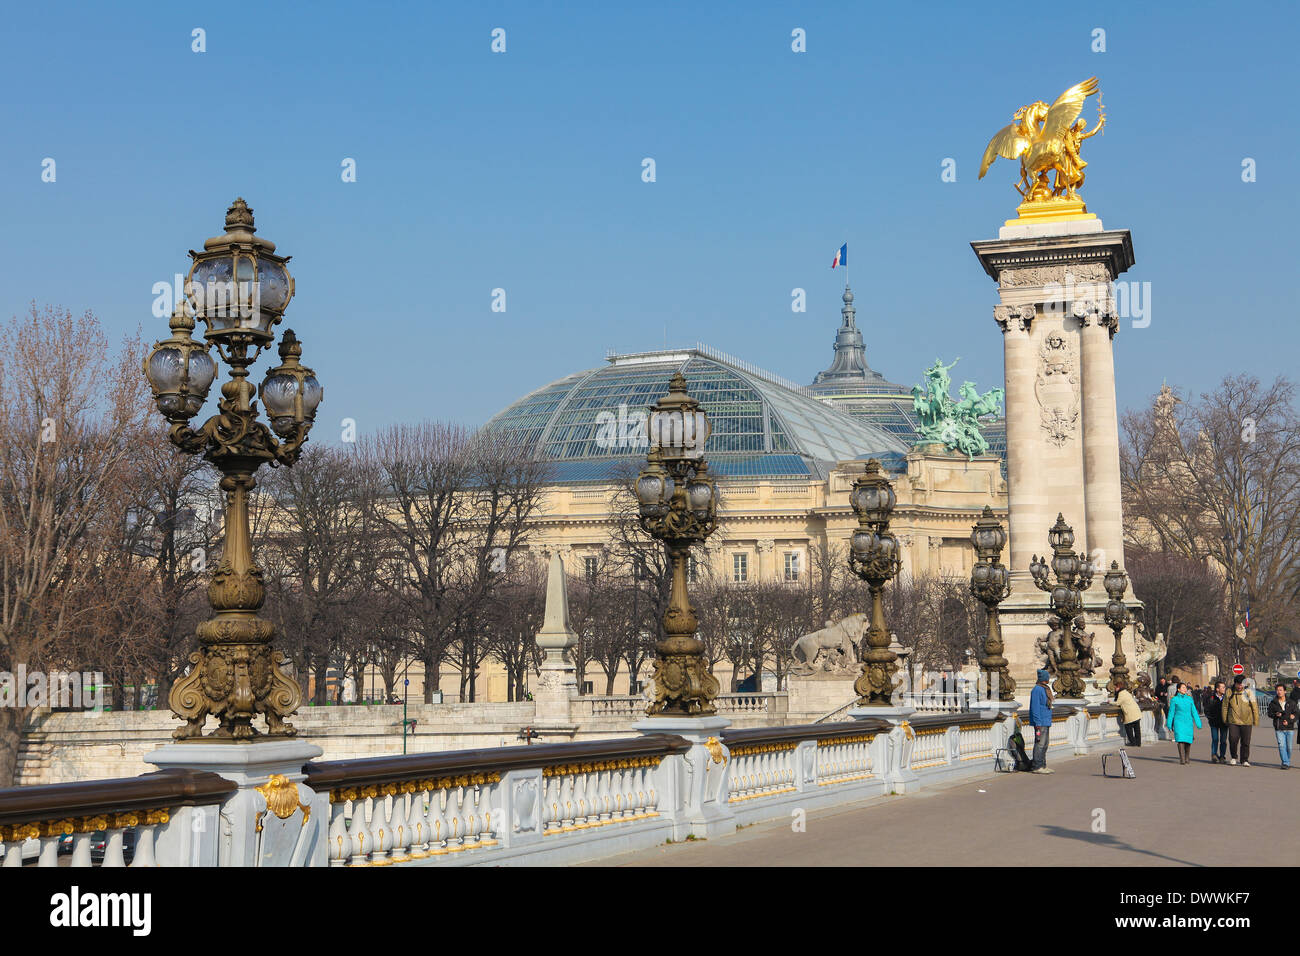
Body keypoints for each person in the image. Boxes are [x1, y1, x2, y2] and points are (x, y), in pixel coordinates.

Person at [1223, 675, 1259, 766]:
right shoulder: (1229, 692)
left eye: (1241, 685)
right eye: (1238, 684)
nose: (1240, 687)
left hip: (1247, 721)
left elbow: (1254, 706)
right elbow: (1225, 707)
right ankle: (1234, 757)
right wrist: (1225, 719)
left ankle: (1244, 759)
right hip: (1233, 720)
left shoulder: (1249, 692)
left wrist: (1256, 720)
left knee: (1246, 741)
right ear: (1234, 684)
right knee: (1233, 739)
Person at [1166, 682, 1202, 764]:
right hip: (1178, 722)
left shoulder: (1189, 699)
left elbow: (1194, 712)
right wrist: (1169, 724)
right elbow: (1171, 712)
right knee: (1180, 740)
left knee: (1188, 740)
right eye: (1183, 688)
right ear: (1178, 689)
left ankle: (1187, 757)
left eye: (1185, 688)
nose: (1185, 689)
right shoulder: (1174, 699)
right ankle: (1182, 759)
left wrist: (1198, 722)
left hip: (1188, 722)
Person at [1266, 684, 1298, 769]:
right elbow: (1269, 713)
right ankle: (1285, 763)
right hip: (1279, 727)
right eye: (1277, 690)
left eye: (1280, 690)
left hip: (1289, 728)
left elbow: (1296, 713)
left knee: (1289, 747)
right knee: (1281, 745)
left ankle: (1286, 760)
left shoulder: (1291, 702)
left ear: (1285, 691)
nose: (1279, 692)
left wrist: (1291, 719)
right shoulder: (1273, 702)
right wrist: (1276, 714)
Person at [1029, 669, 1054, 774]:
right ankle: (1037, 766)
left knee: (1045, 744)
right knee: (1040, 744)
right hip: (1040, 722)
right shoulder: (1037, 690)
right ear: (1044, 678)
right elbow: (1035, 708)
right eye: (1047, 677)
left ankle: (1043, 765)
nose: (1048, 679)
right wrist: (1037, 723)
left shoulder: (1045, 689)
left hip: (1046, 721)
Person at [1205, 680, 1228, 763]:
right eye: (1222, 687)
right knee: (1215, 739)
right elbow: (1206, 710)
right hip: (1214, 722)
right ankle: (1214, 755)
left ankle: (1222, 756)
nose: (1224, 689)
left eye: (1224, 687)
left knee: (1223, 740)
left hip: (1224, 722)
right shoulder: (1211, 698)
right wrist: (1210, 718)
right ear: (1217, 689)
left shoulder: (1226, 698)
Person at [1114, 680, 1142, 747]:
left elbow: (1118, 703)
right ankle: (1138, 743)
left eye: (1116, 687)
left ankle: (1132, 742)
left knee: (1128, 727)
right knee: (1137, 728)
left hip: (1130, 713)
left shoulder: (1121, 693)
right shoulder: (1126, 692)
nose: (1115, 688)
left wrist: (1109, 702)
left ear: (1118, 687)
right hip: (1136, 711)